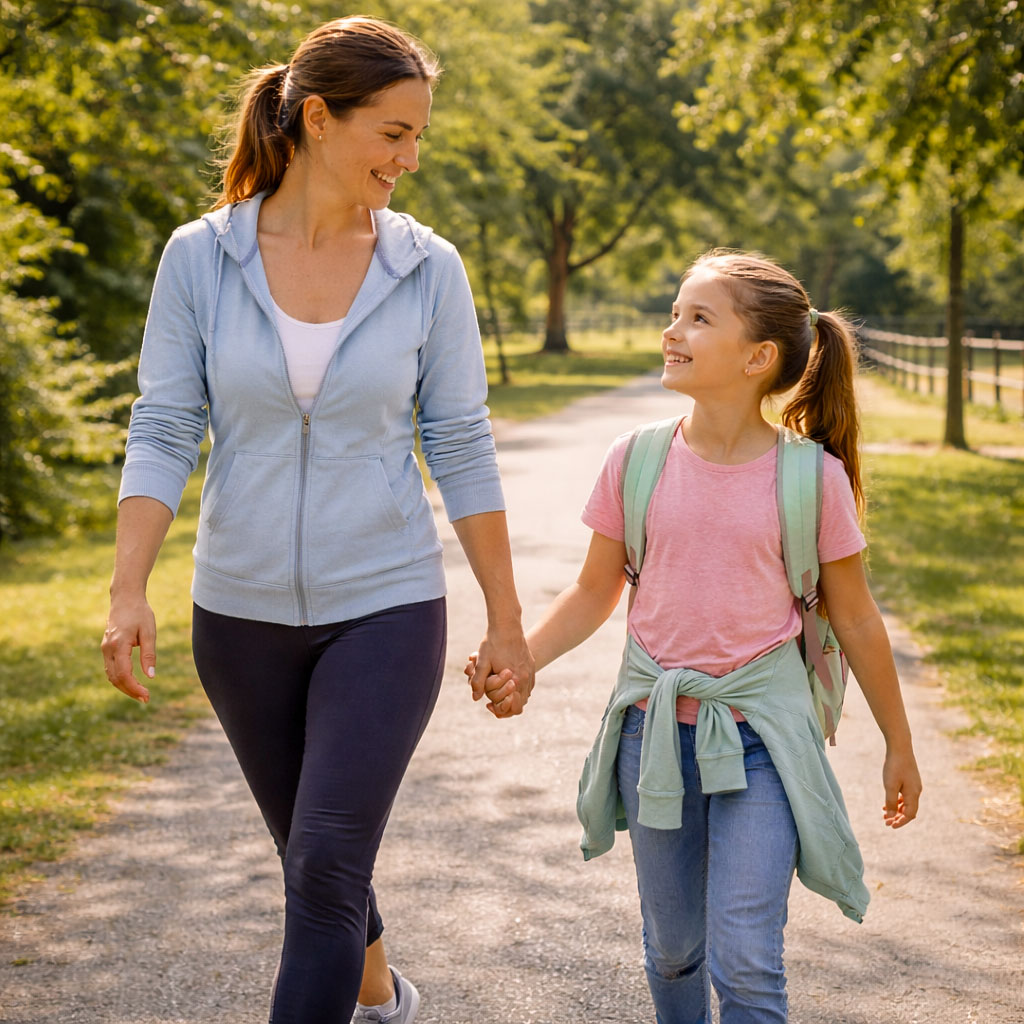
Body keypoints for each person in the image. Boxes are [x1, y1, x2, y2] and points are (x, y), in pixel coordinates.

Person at [100, 16, 533, 1024]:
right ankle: (380, 991)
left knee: (328, 863)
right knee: (311, 855)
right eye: (391, 133)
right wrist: (129, 587)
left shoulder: (428, 270)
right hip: (238, 613)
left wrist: (505, 618)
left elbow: (460, 443)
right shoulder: (200, 260)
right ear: (318, 119)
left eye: (418, 135)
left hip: (384, 604)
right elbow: (164, 424)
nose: (408, 158)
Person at [471, 250, 922, 1023]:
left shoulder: (811, 479)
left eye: (698, 318)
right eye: (676, 313)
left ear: (759, 358)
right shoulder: (636, 459)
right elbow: (593, 591)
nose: (672, 330)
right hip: (655, 741)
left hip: (765, 743)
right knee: (675, 948)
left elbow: (854, 619)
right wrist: (523, 659)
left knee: (745, 956)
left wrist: (898, 742)